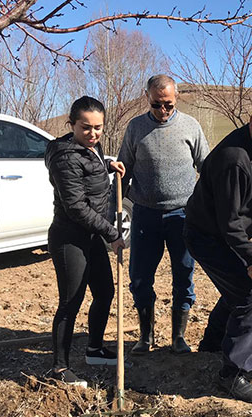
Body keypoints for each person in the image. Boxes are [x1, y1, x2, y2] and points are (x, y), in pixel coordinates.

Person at [183, 96, 252, 403]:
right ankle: (232, 374)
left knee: (237, 290)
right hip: (208, 235)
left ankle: (212, 345)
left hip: (221, 232)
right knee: (250, 297)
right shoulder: (235, 159)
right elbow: (229, 222)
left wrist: (246, 251)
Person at [118, 75, 210, 355]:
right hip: (145, 214)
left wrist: (208, 207)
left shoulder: (190, 126)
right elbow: (125, 170)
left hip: (183, 215)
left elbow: (207, 167)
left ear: (177, 97)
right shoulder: (135, 128)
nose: (163, 111)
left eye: (168, 105)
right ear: (146, 96)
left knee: (184, 274)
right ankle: (146, 336)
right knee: (140, 277)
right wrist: (114, 205)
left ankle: (178, 337)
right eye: (157, 104)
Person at [43, 96, 127, 385]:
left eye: (98, 128)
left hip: (91, 237)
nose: (93, 134)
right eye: (86, 128)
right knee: (71, 301)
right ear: (72, 124)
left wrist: (109, 165)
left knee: (104, 292)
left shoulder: (91, 148)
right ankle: (58, 369)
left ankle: (94, 348)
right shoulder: (64, 157)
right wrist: (113, 233)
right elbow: (77, 208)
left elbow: (91, 166)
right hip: (70, 239)